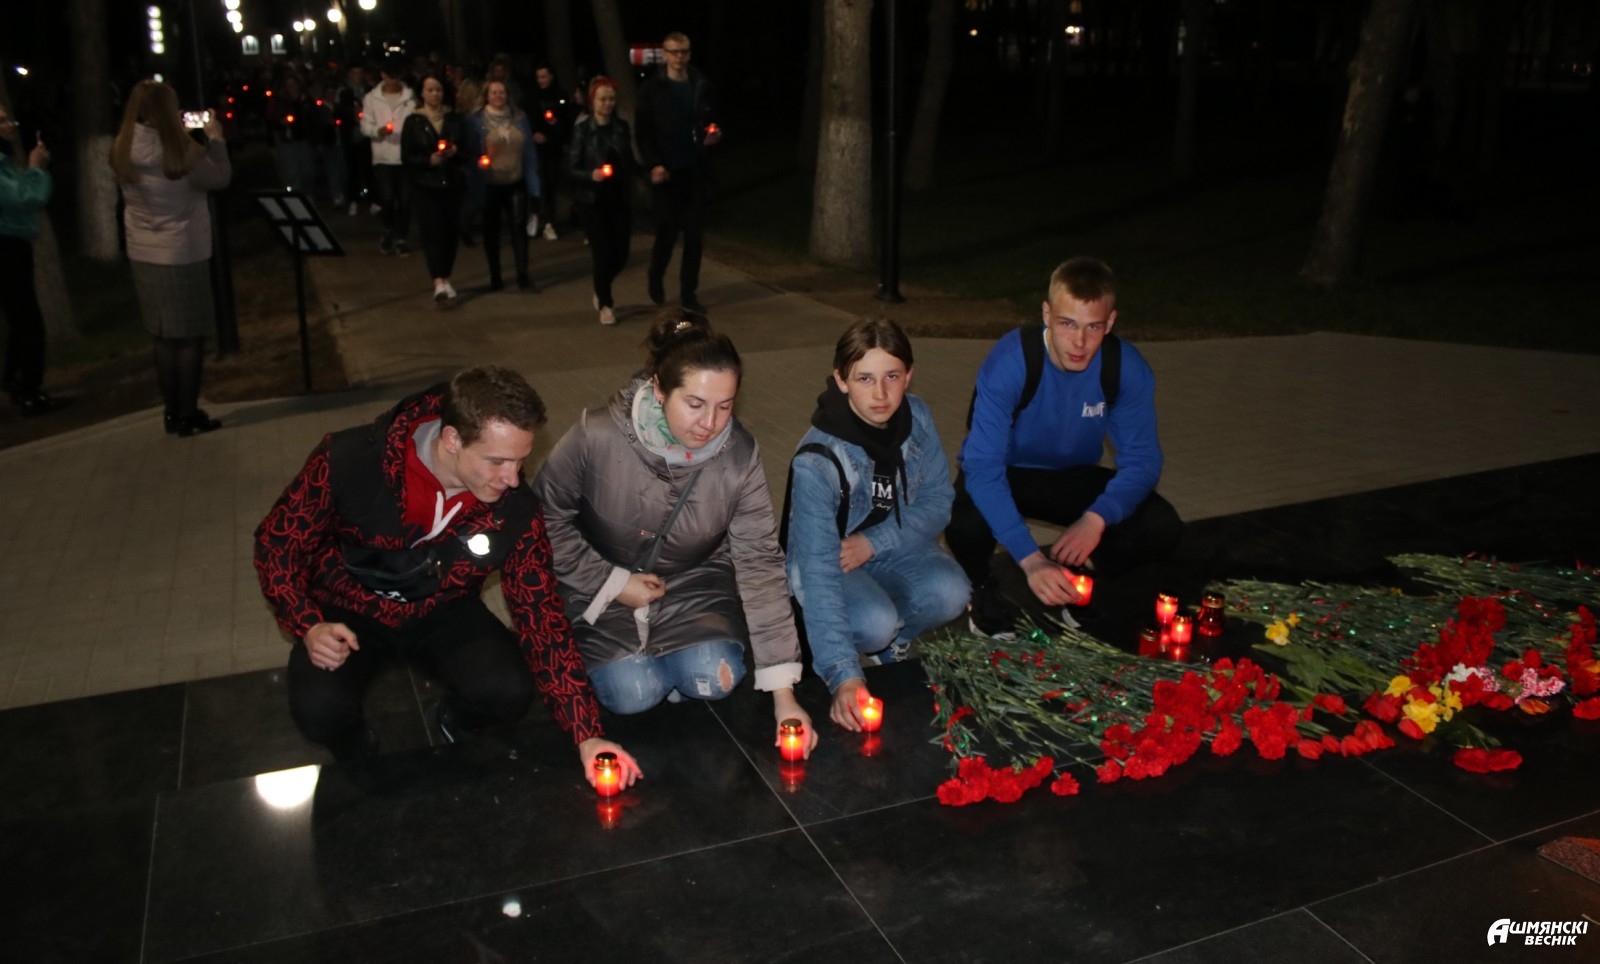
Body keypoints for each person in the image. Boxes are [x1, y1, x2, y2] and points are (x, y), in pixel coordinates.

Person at [253, 365, 643, 790]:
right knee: (319, 709)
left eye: (520, 460)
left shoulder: (514, 509)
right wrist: (307, 623)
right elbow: (277, 543)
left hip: (442, 607)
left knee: (508, 691)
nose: (512, 478)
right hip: (347, 608)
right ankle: (354, 746)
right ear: (452, 439)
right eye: (497, 461)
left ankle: (457, 721)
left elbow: (541, 617)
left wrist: (587, 734)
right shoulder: (349, 460)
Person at [535, 311, 818, 758]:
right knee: (633, 692)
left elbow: (759, 560)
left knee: (717, 677)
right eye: (695, 404)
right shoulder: (597, 434)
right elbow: (543, 519)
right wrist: (612, 582)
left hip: (694, 581)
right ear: (660, 389)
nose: (711, 423)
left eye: (725, 406)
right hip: (600, 584)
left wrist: (785, 694)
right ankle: (651, 678)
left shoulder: (738, 455)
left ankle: (676, 674)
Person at [945, 256, 1183, 637]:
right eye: (1067, 324)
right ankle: (983, 588)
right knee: (963, 519)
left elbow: (1142, 462)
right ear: (1047, 314)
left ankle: (1078, 576)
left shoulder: (1124, 368)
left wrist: (1095, 519)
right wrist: (1030, 559)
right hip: (1007, 471)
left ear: (1110, 323)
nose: (1079, 342)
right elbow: (983, 467)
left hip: (1072, 476)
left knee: (1160, 524)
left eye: (1093, 327)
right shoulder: (1011, 362)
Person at [784, 319, 970, 731]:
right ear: (841, 380)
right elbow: (818, 571)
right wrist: (843, 676)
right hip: (828, 559)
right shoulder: (817, 460)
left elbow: (939, 500)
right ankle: (870, 637)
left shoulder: (917, 417)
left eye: (892, 376)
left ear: (909, 374)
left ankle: (894, 641)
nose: (881, 394)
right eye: (864, 379)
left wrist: (874, 541)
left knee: (952, 591)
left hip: (887, 545)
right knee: (873, 623)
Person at [109, 80, 232, 437]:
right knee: (190, 337)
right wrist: (217, 141)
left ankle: (171, 412)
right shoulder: (182, 152)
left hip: (144, 251)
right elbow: (220, 178)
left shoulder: (122, 147)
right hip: (181, 251)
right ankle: (189, 413)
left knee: (163, 337)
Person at [635, 31, 719, 313]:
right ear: (665, 55)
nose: (679, 57)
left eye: (683, 51)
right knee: (667, 231)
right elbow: (643, 132)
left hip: (695, 169)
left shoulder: (700, 85)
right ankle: (656, 275)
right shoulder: (652, 89)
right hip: (667, 171)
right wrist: (654, 163)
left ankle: (688, 294)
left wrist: (712, 135)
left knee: (694, 235)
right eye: (674, 52)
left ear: (689, 53)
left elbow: (710, 118)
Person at [0, 103, 63, 417]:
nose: (9, 125)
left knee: (19, 317)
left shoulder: (4, 161)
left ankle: (16, 380)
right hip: (6, 245)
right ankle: (29, 391)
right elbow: (26, 197)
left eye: (8, 118)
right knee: (27, 320)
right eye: (1, 121)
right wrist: (37, 168)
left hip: (12, 243)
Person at [566, 76, 633, 326]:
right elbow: (571, 167)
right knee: (602, 252)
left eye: (611, 99)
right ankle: (606, 303)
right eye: (603, 99)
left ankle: (601, 285)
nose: (607, 103)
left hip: (619, 198)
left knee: (621, 254)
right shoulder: (583, 130)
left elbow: (628, 160)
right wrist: (590, 175)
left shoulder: (621, 128)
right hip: (592, 200)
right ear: (593, 101)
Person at [465, 79, 541, 291]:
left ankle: (523, 275)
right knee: (492, 230)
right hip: (491, 183)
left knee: (519, 227)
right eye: (494, 92)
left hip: (516, 180)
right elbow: (468, 151)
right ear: (486, 95)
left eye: (502, 92)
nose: (498, 96)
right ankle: (495, 275)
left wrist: (534, 184)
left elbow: (529, 152)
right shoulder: (476, 121)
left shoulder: (520, 118)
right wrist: (478, 161)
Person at [402, 74, 465, 306]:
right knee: (432, 231)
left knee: (450, 231)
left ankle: (446, 275)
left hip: (452, 182)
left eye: (438, 90)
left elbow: (467, 149)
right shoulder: (414, 122)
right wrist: (428, 161)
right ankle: (438, 280)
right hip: (425, 184)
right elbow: (407, 156)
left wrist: (455, 151)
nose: (434, 94)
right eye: (430, 90)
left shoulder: (454, 119)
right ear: (422, 93)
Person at [361, 60, 414, 255]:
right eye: (389, 76)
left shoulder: (410, 97)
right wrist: (378, 131)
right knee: (388, 198)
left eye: (396, 76)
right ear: (383, 75)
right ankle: (387, 230)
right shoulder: (371, 98)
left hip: (405, 157)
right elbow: (365, 126)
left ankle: (402, 238)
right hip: (383, 157)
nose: (393, 81)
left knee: (405, 201)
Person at [526, 64, 568, 241]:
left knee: (550, 183)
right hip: (534, 149)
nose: (541, 81)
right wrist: (534, 133)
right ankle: (534, 215)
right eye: (538, 77)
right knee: (536, 182)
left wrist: (551, 131)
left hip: (552, 149)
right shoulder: (531, 97)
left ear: (551, 76)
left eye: (544, 77)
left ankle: (550, 221)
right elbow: (526, 119)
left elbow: (565, 124)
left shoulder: (560, 96)